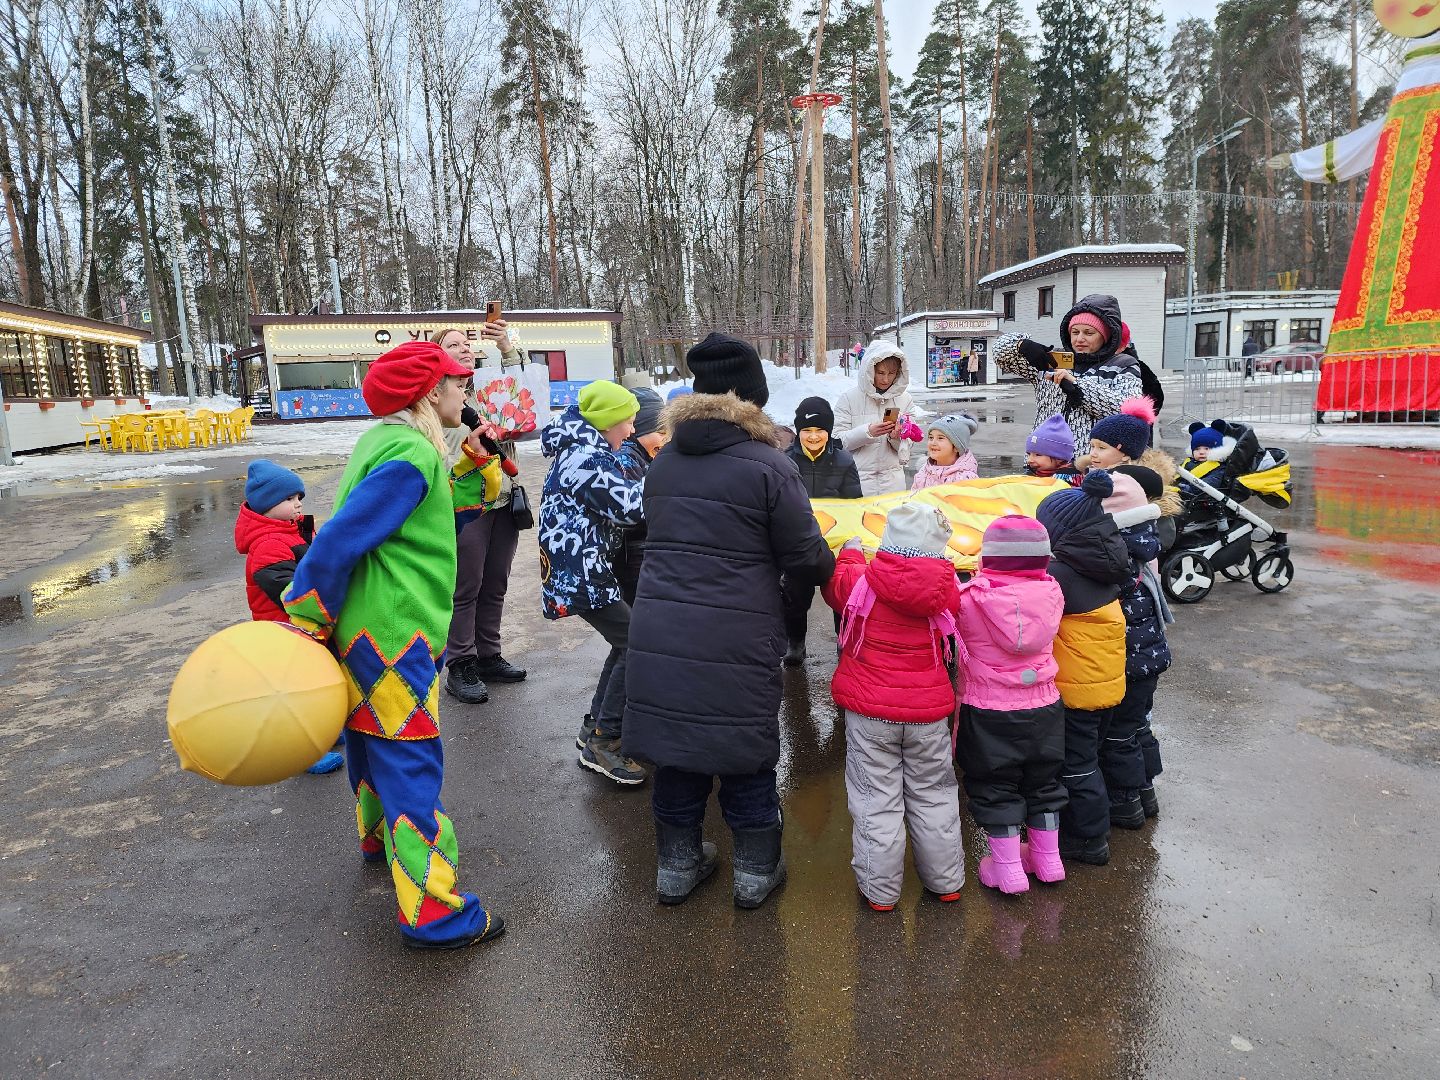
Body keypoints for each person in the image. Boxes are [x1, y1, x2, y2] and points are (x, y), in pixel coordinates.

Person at [282, 340, 505, 949]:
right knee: (412, 763)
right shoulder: (408, 452)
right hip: (391, 633)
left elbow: (428, 520)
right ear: (430, 394)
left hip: (374, 628)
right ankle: (435, 912)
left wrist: (471, 471)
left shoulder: (391, 443)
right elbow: (339, 541)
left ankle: (377, 839)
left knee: (367, 738)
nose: (467, 392)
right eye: (458, 383)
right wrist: (303, 615)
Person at [623, 332, 835, 909]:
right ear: (752, 399)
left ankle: (676, 866)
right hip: (737, 629)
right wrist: (831, 558)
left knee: (677, 746)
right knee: (743, 747)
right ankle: (754, 872)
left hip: (661, 625)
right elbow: (804, 556)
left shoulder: (664, 464)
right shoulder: (771, 466)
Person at [822, 502, 967, 911]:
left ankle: (880, 892)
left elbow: (834, 587)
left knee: (875, 800)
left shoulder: (860, 579)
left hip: (870, 713)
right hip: (928, 715)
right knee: (935, 795)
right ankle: (946, 882)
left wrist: (851, 549)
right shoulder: (945, 586)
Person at [538, 381, 647, 786]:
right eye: (628, 423)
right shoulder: (586, 458)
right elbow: (630, 508)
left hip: (582, 568)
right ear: (606, 423)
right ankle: (604, 742)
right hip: (580, 571)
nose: (632, 431)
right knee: (637, 643)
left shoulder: (584, 450)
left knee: (626, 642)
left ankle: (596, 726)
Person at [953, 516, 1068, 894]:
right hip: (1045, 706)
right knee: (1044, 782)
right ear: (1044, 560)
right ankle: (1048, 861)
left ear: (988, 559)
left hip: (987, 711)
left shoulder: (969, 598)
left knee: (994, 786)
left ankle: (1007, 870)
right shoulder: (1053, 593)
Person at [1033, 471, 1131, 867]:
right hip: (1105, 685)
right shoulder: (1103, 562)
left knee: (1076, 767)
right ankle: (1108, 819)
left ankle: (1089, 840)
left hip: (1078, 693)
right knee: (1093, 758)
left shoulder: (1060, 575)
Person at [434, 325, 529, 705]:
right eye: (452, 344)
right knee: (465, 586)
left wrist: (506, 345)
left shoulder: (491, 388)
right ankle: (461, 662)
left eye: (466, 343)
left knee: (495, 583)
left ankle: (488, 654)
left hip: (505, 498)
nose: (463, 348)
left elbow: (523, 389)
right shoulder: (438, 397)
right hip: (466, 502)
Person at [234, 459, 342, 776]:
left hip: (304, 630)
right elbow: (286, 590)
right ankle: (301, 750)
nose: (297, 505)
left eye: (298, 498)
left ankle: (320, 733)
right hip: (285, 632)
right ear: (266, 506)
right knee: (296, 693)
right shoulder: (268, 543)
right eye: (288, 499)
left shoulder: (291, 532)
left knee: (316, 684)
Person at [1103, 466, 1174, 823]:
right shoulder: (1143, 550)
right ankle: (1146, 790)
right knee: (1136, 728)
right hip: (1149, 662)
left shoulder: (1116, 562)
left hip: (1127, 666)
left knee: (1118, 735)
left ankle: (1125, 802)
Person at [993, 294, 1145, 450]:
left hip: (1089, 466)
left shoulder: (1124, 365)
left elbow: (1126, 411)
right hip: (1043, 462)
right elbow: (999, 354)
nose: (1079, 339)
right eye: (1075, 332)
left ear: (1105, 336)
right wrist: (1021, 345)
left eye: (1088, 333)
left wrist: (1077, 386)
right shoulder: (1053, 360)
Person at [781, 396, 862, 666]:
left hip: (834, 543)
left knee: (843, 592)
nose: (813, 436)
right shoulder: (784, 461)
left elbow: (854, 504)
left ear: (828, 431)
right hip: (800, 541)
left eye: (819, 430)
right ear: (798, 432)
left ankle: (844, 639)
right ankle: (796, 643)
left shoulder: (844, 460)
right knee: (794, 595)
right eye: (807, 430)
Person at [833, 340, 919, 495]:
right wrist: (867, 432)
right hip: (857, 481)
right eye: (880, 373)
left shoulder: (905, 400)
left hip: (893, 483)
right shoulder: (848, 399)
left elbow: (909, 444)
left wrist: (896, 437)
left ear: (899, 372)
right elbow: (837, 442)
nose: (886, 380)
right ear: (869, 369)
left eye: (891, 373)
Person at [910, 414, 980, 489]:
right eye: (931, 437)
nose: (933, 442)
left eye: (940, 438)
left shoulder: (966, 479)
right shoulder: (924, 473)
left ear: (956, 446)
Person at [1024, 414, 1082, 482]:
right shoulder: (1033, 473)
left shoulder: (1068, 481)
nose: (1029, 460)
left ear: (1059, 458)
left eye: (1038, 455)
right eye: (1029, 454)